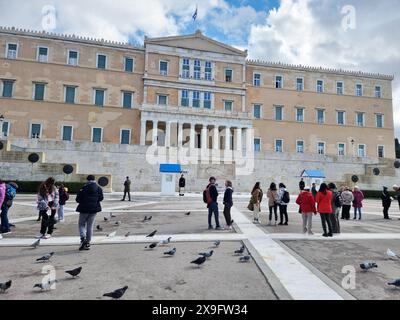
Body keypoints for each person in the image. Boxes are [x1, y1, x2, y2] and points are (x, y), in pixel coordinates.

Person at [76, 175, 104, 251]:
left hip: (84, 209)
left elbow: (78, 199)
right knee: (90, 225)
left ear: (87, 180)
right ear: (94, 179)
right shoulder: (98, 188)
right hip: (94, 209)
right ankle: (87, 242)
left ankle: (83, 238)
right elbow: (101, 198)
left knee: (81, 224)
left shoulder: (84, 188)